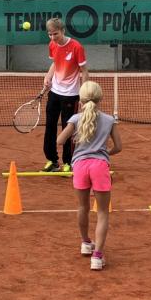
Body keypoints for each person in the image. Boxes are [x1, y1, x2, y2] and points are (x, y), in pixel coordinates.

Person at [57, 81, 122, 270]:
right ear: (100, 98)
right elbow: (118, 147)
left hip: (79, 166)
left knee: (82, 207)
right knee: (102, 213)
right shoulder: (109, 120)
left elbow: (60, 140)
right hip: (100, 166)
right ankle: (97, 256)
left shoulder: (76, 118)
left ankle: (85, 243)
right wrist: (103, 153)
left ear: (81, 99)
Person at [41, 18, 89, 172]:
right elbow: (55, 63)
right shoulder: (52, 45)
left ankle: (68, 162)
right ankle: (52, 161)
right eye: (50, 34)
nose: (53, 37)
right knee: (50, 127)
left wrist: (84, 94)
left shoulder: (76, 47)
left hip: (71, 94)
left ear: (63, 31)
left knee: (68, 128)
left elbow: (84, 71)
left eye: (55, 34)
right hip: (54, 92)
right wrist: (48, 77)